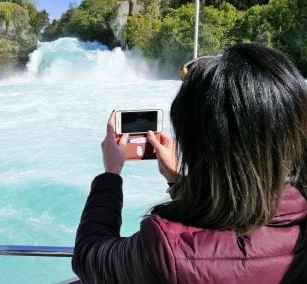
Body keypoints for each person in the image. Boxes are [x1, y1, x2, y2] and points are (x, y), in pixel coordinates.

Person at [71, 44, 307, 283]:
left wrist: (111, 173)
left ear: (197, 144)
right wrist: (177, 180)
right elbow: (239, 206)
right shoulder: (301, 224)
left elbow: (89, 256)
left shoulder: (166, 250)